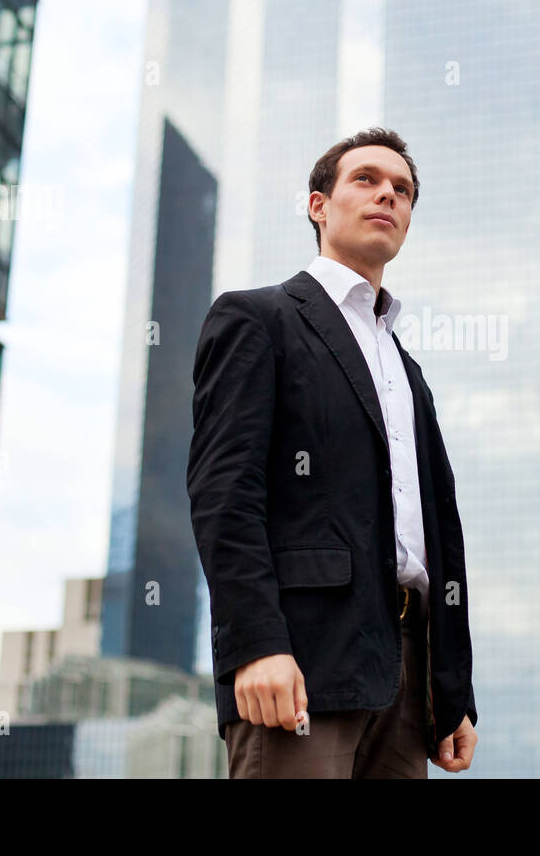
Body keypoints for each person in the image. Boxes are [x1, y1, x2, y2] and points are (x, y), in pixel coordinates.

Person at [187, 127, 477, 778]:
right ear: (318, 206)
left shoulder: (408, 371)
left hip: (408, 675)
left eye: (402, 190)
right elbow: (224, 493)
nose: (388, 196)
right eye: (366, 180)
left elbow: (435, 538)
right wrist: (255, 645)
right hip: (301, 660)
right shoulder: (257, 319)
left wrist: (452, 690)